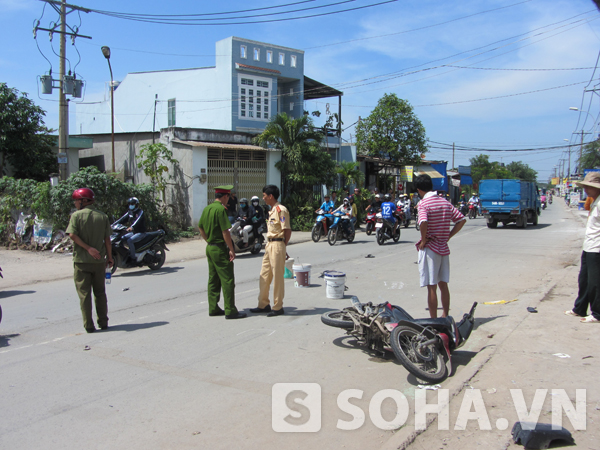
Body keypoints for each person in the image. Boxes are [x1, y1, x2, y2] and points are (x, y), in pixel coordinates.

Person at [415, 174, 466, 319]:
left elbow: (423, 222)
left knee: (432, 286)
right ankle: (445, 315)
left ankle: (434, 320)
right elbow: (461, 220)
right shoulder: (444, 202)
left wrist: (423, 240)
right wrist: (448, 236)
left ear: (419, 190)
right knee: (443, 284)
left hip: (431, 248)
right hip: (443, 247)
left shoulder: (423, 204)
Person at [66, 188, 114, 333]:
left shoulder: (76, 216)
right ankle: (103, 322)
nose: (75, 203)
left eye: (76, 200)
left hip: (81, 262)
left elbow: (72, 235)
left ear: (83, 201)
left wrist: (88, 249)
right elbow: (107, 240)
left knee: (84, 295)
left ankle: (89, 326)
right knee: (100, 293)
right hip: (99, 262)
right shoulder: (102, 217)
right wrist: (110, 258)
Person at [198, 185, 246, 319]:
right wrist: (232, 249)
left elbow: (200, 227)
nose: (228, 201)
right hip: (219, 248)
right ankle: (230, 310)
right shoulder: (220, 210)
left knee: (213, 278)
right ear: (225, 196)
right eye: (228, 198)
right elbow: (226, 232)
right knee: (227, 279)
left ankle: (213, 308)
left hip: (210, 247)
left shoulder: (207, 208)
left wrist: (208, 240)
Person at [250, 185, 292, 317]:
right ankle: (263, 304)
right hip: (269, 245)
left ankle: (278, 306)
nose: (263, 198)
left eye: (264, 196)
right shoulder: (272, 210)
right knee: (264, 274)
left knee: (278, 277)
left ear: (270, 196)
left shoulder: (281, 210)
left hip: (278, 244)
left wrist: (283, 247)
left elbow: (287, 230)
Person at [565, 172, 600, 323]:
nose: (586, 189)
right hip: (589, 245)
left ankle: (597, 313)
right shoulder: (594, 201)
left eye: (589, 187)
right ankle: (579, 308)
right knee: (584, 279)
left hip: (597, 248)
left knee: (595, 282)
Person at [113, 197, 146, 264]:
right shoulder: (130, 212)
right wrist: (113, 225)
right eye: (129, 203)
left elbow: (137, 221)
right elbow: (122, 219)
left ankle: (133, 258)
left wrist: (132, 227)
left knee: (129, 241)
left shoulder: (140, 212)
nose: (131, 205)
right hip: (133, 232)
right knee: (122, 238)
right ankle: (125, 254)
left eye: (132, 204)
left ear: (136, 204)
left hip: (140, 232)